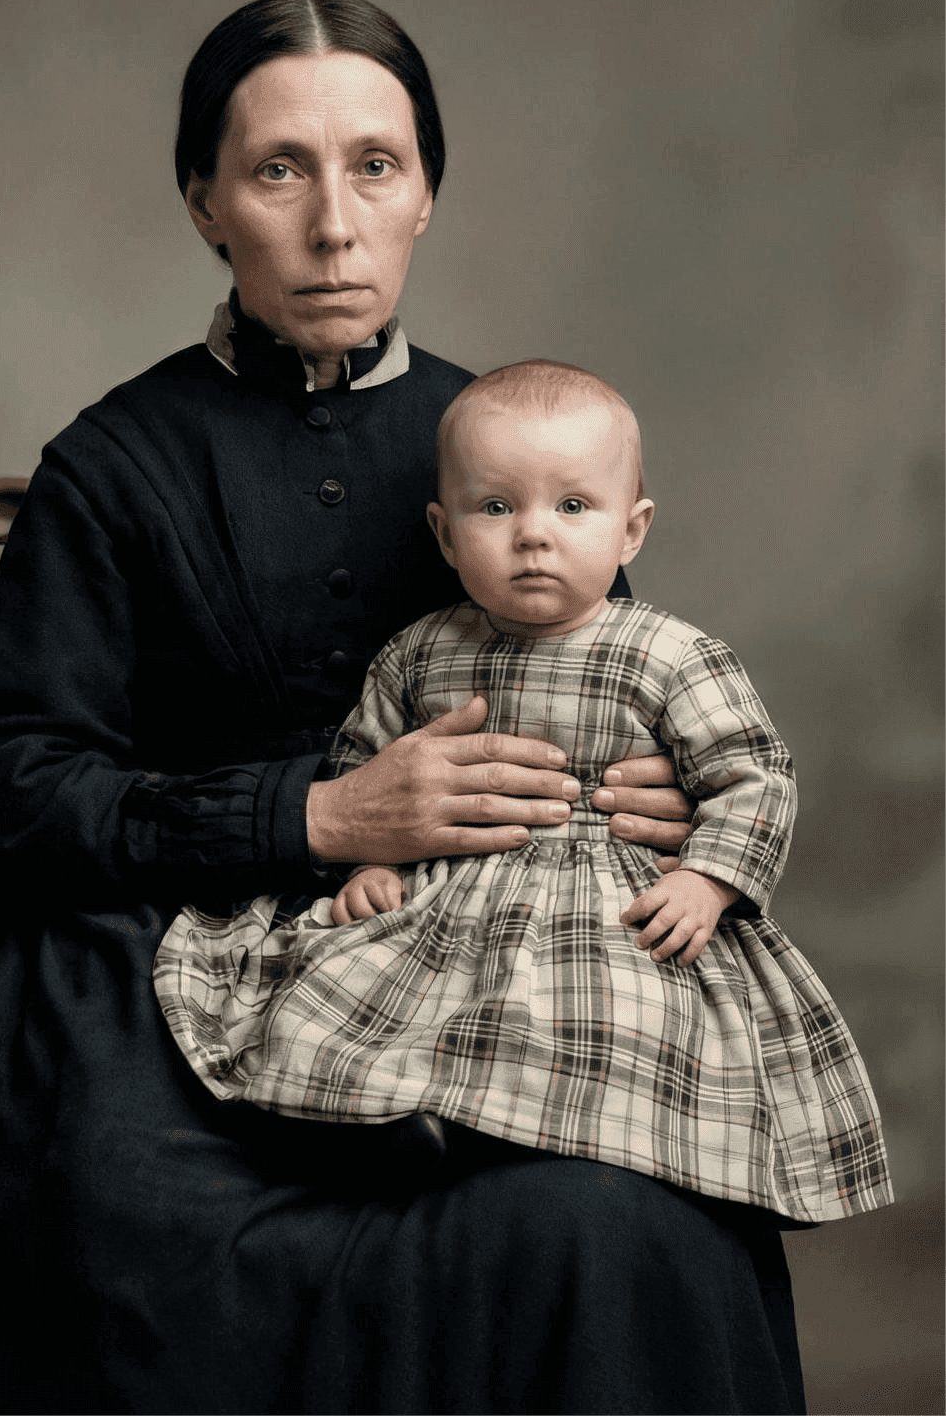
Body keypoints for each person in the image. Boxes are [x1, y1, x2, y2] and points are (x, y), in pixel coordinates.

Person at [0, 0, 808, 1415]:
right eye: (279, 169)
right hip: (127, 974)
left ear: (425, 197)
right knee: (138, 1242)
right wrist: (321, 812)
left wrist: (650, 797)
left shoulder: (511, 441)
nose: (332, 222)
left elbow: (620, 684)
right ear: (205, 204)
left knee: (630, 1224)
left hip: (491, 962)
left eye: (375, 167)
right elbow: (22, 791)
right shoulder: (113, 462)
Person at [155, 359, 893, 1227]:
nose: (532, 535)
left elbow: (755, 774)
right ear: (443, 531)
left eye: (572, 506)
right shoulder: (419, 653)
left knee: (613, 1014)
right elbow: (362, 768)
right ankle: (378, 1123)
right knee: (333, 985)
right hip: (447, 893)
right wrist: (366, 864)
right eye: (495, 507)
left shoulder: (668, 653)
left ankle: (545, 1143)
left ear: (632, 530)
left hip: (608, 905)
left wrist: (707, 879)